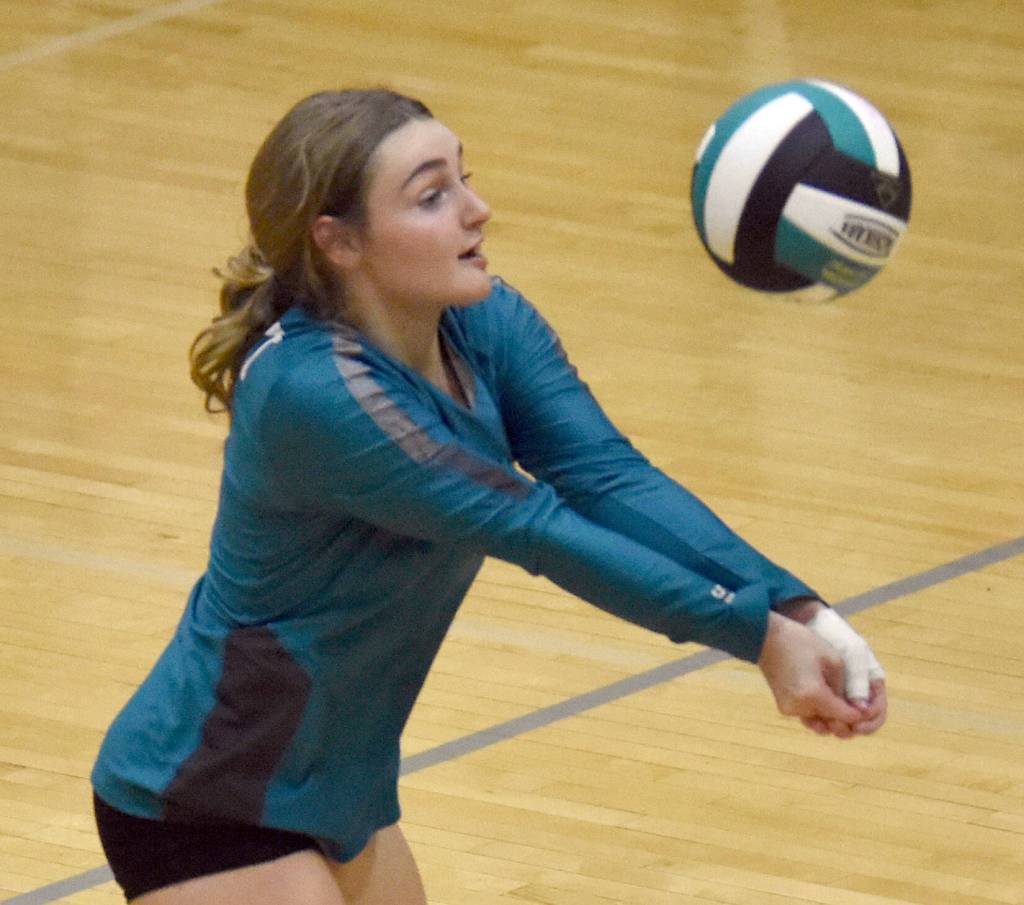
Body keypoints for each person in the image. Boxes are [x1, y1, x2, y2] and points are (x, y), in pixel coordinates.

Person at [90, 88, 887, 905]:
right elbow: (534, 526)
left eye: (465, 179)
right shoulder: (314, 393)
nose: (478, 209)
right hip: (206, 791)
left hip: (339, 794)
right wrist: (749, 633)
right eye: (433, 196)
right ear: (339, 242)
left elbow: (607, 476)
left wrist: (795, 609)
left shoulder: (482, 322)